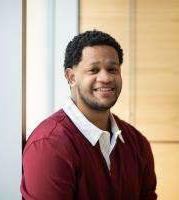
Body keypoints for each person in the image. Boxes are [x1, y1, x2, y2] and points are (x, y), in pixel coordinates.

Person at [21, 30, 157, 200]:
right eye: (93, 70)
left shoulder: (138, 143)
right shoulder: (48, 146)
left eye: (112, 69)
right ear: (71, 77)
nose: (106, 78)